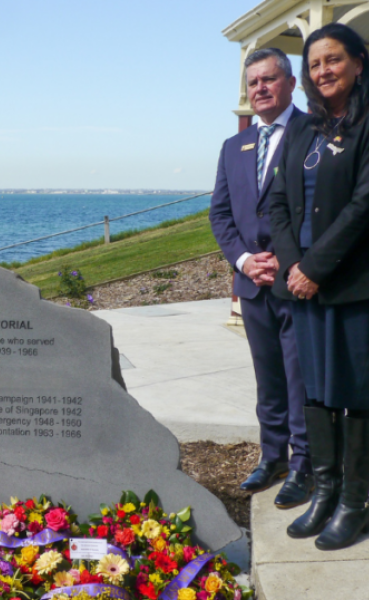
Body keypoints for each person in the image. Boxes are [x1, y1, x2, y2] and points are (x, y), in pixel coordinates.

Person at [269, 22, 369, 551]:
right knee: (316, 393)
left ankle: (355, 502)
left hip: (351, 285)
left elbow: (363, 207)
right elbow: (278, 204)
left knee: (354, 394)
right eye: (314, 64)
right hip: (302, 286)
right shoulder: (301, 130)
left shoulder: (367, 124)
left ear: (357, 62)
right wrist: (292, 268)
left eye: (333, 60)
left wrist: (315, 268)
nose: (323, 71)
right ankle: (325, 493)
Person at [210, 48, 312, 509]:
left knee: (300, 379)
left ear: (291, 83)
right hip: (253, 284)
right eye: (253, 83)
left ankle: (303, 465)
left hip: (298, 282)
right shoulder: (234, 147)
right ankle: (272, 456)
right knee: (268, 378)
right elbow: (221, 214)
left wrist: (292, 261)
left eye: (269, 79)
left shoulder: (314, 133)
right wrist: (244, 260)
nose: (260, 89)